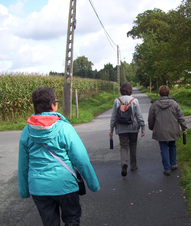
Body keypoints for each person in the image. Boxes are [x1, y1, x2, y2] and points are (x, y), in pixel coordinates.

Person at [18, 87, 100, 226]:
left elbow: (23, 164)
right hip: (65, 185)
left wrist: (24, 190)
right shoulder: (64, 128)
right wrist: (93, 184)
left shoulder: (27, 131)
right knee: (72, 220)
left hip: (39, 188)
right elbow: (81, 159)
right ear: (52, 105)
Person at [148, 85, 187, 176]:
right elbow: (181, 117)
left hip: (160, 130)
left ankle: (166, 168)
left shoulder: (154, 105)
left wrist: (151, 127)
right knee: (172, 146)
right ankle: (173, 164)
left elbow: (150, 118)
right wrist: (184, 128)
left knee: (163, 148)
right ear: (168, 92)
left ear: (159, 93)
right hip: (172, 129)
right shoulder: (174, 104)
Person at [109, 82, 145, 177]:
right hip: (133, 127)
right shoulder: (134, 100)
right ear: (130, 90)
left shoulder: (116, 101)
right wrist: (143, 127)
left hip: (121, 128)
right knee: (133, 145)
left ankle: (124, 163)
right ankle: (133, 165)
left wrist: (111, 129)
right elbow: (139, 116)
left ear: (121, 90)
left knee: (124, 146)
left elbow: (113, 117)